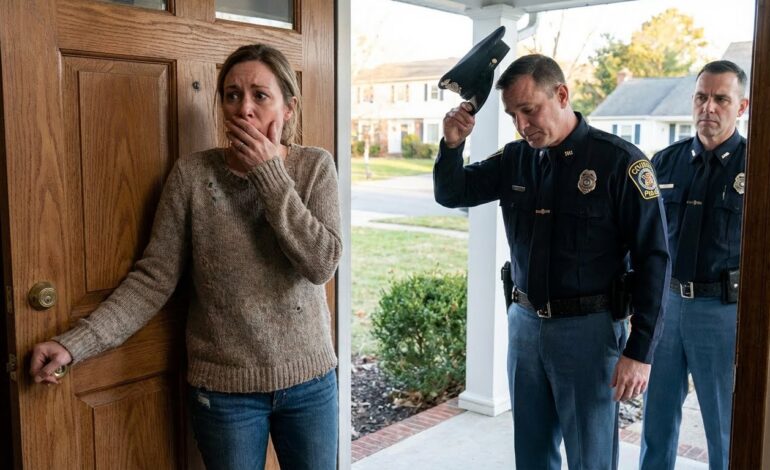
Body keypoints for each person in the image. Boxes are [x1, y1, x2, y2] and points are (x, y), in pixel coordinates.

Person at [29, 44, 342, 470]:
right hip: (225, 394)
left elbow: (321, 263)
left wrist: (269, 176)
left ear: (288, 108)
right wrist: (73, 344)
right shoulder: (192, 176)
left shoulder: (315, 167)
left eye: (259, 95)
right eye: (232, 95)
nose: (244, 108)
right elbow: (152, 280)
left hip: (310, 383)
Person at [434, 53, 670, 470]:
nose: (522, 124)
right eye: (513, 115)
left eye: (529, 110)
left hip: (589, 333)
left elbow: (654, 258)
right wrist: (452, 145)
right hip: (525, 327)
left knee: (590, 458)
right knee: (532, 454)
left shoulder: (619, 162)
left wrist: (640, 351)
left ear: (561, 95)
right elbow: (453, 193)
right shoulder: (516, 159)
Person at [640, 60, 749, 470]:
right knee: (656, 421)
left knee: (724, 428)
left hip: (722, 314)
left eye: (721, 99)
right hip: (666, 308)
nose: (709, 107)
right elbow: (643, 237)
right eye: (702, 97)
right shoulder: (664, 163)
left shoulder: (756, 166)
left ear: (741, 106)